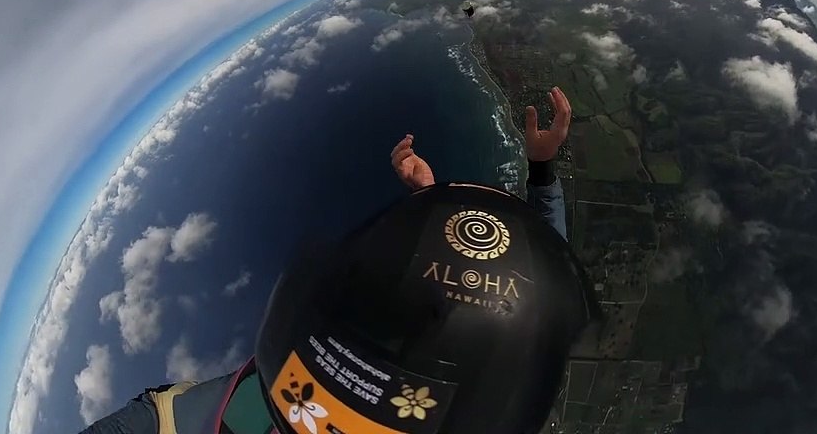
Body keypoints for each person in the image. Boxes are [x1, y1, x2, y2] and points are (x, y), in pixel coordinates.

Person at [79, 87, 585, 434]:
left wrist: (427, 206)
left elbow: (528, 310)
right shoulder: (477, 384)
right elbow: (531, 314)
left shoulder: (193, 414)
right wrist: (536, 172)